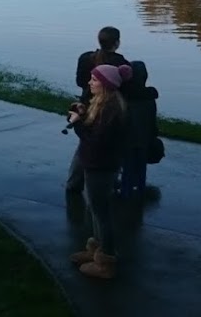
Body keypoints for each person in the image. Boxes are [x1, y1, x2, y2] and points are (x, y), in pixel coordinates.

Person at [68, 63, 133, 279]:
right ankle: (97, 249)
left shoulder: (110, 109)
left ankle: (106, 260)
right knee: (96, 210)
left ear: (105, 84)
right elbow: (95, 132)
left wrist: (77, 124)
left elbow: (95, 141)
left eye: (94, 80)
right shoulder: (105, 104)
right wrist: (83, 114)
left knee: (101, 212)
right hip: (97, 164)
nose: (89, 82)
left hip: (101, 166)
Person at [68, 27, 127, 192]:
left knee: (86, 144)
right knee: (97, 142)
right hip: (101, 105)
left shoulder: (86, 58)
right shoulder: (121, 63)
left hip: (86, 104)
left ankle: (74, 183)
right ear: (117, 43)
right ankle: (102, 183)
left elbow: (80, 82)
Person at [117, 60, 159, 199]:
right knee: (141, 167)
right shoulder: (149, 97)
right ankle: (139, 191)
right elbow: (152, 119)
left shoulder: (123, 95)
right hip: (144, 139)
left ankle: (125, 193)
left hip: (126, 139)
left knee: (127, 167)